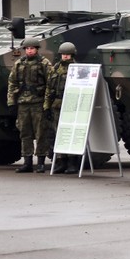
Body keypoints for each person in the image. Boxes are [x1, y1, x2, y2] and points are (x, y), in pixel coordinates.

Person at [7, 37, 52, 173]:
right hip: (23, 103)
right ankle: (27, 162)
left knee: (41, 133)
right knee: (24, 133)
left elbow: (50, 84)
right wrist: (11, 101)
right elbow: (12, 82)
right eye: (27, 48)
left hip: (38, 103)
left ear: (37, 49)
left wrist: (47, 103)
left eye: (32, 48)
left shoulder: (44, 63)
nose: (29, 50)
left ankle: (41, 163)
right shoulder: (19, 64)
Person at [44, 42, 79, 174]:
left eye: (67, 54)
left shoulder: (76, 69)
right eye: (63, 54)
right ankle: (61, 161)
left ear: (72, 54)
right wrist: (47, 106)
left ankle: (72, 162)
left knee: (70, 133)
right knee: (58, 134)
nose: (65, 56)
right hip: (57, 104)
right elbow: (49, 88)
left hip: (70, 104)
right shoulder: (55, 68)